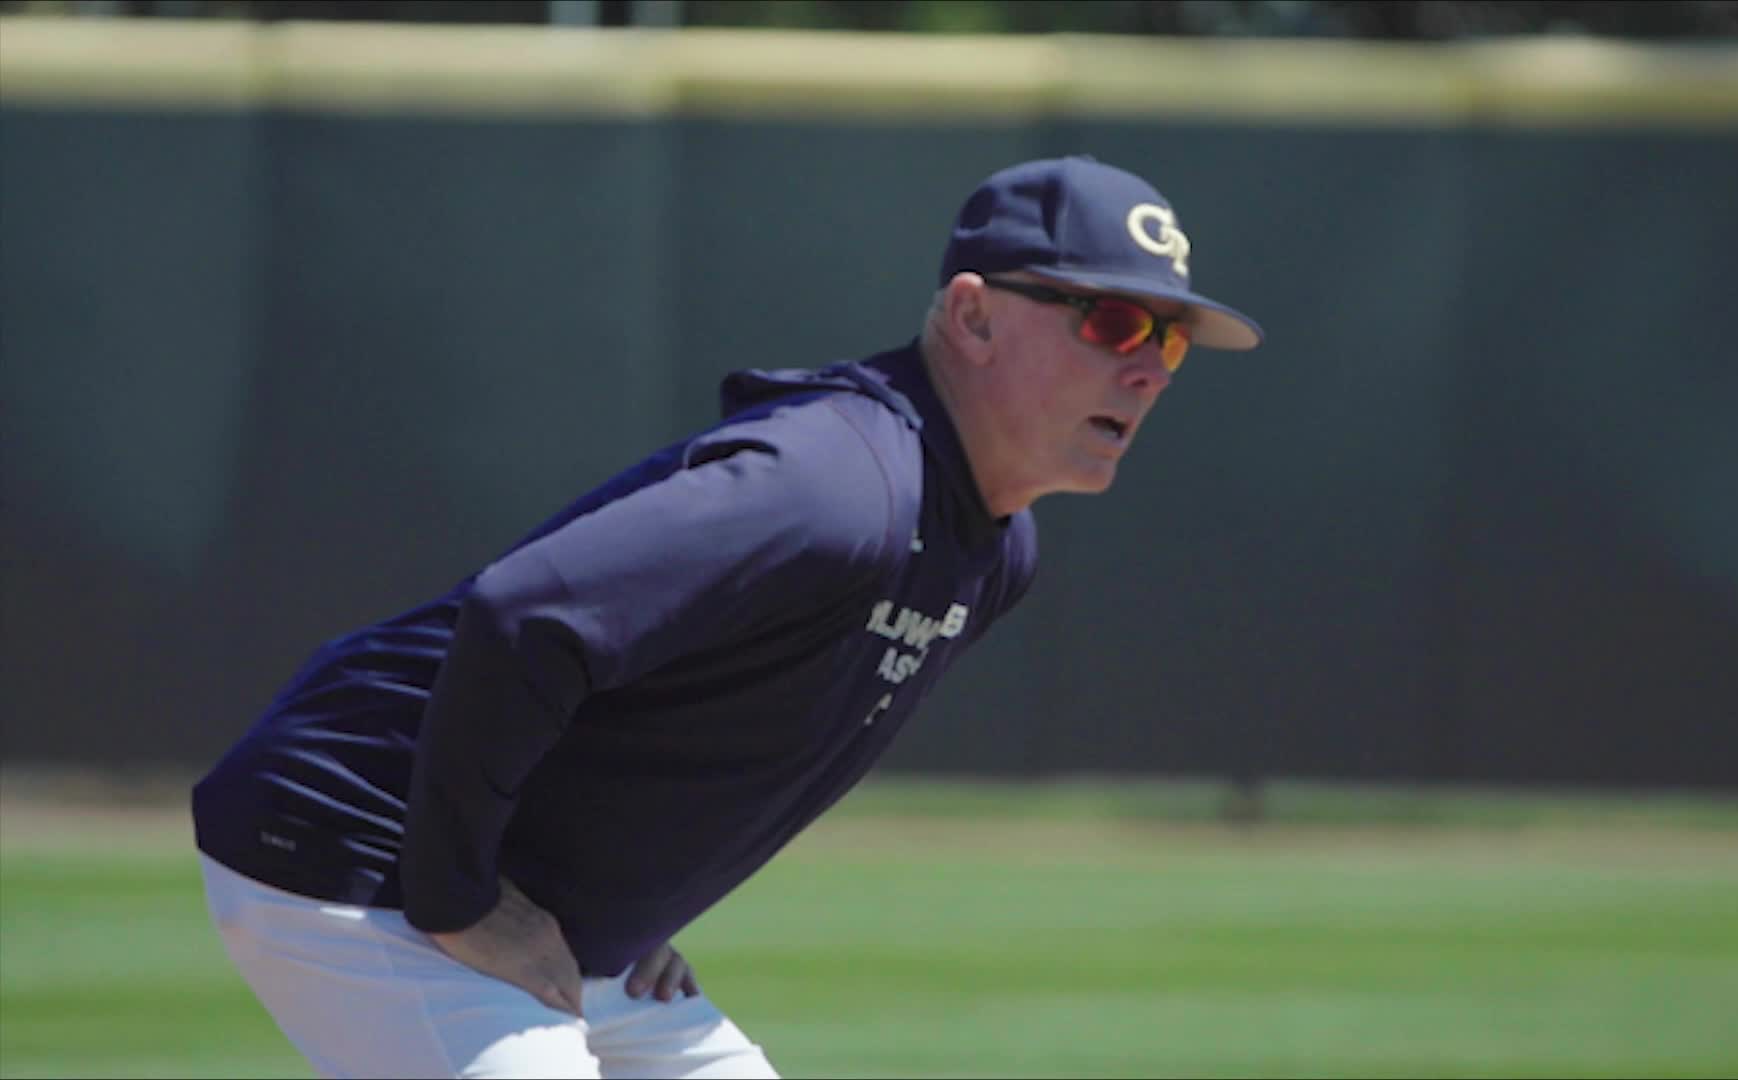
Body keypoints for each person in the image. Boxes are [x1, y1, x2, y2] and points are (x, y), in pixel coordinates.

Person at [190, 154, 1264, 1079]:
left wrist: (634, 910)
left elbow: (744, 737)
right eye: (1112, 319)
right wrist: (459, 900)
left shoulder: (995, 543)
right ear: (973, 316)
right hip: (357, 845)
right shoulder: (837, 486)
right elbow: (526, 618)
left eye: (1168, 340)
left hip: (541, 905)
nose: (1146, 365)